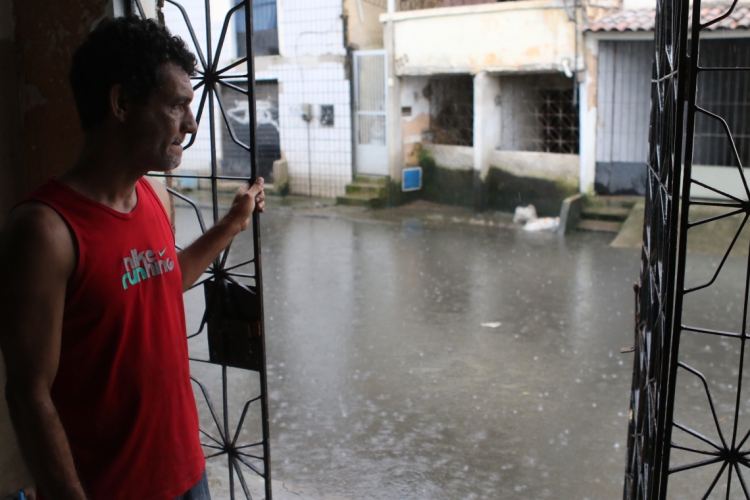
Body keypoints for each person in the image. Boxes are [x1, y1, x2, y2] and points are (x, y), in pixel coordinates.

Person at [0, 16, 264, 500]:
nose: (191, 124)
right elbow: (28, 394)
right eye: (177, 106)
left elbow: (163, 281)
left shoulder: (147, 195)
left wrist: (231, 225)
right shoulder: (46, 231)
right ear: (121, 103)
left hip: (187, 470)